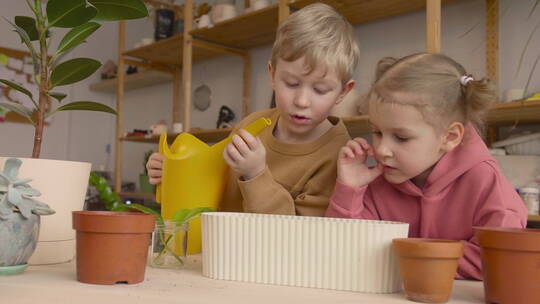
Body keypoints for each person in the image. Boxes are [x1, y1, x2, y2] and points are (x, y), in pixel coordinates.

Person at [326, 53, 527, 280]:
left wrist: (409, 255)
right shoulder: (380, 180)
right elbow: (341, 248)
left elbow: (497, 256)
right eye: (377, 132)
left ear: (450, 137)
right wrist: (349, 189)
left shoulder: (484, 181)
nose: (381, 150)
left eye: (401, 138)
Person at [146, 3, 360, 216]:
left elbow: (300, 236)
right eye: (292, 84)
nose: (302, 101)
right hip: (221, 245)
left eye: (320, 90)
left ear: (343, 92)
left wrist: (256, 174)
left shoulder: (339, 154)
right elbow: (210, 182)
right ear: (272, 75)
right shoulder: (251, 125)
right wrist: (173, 172)